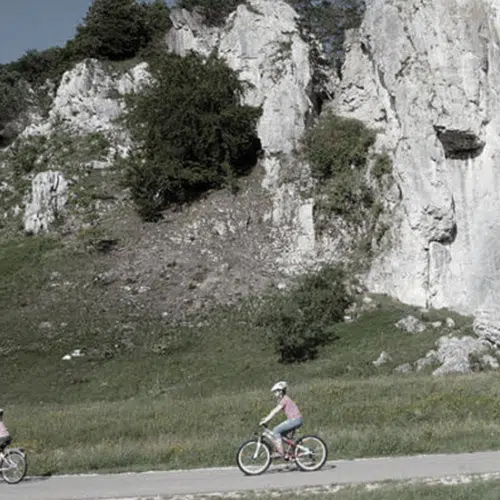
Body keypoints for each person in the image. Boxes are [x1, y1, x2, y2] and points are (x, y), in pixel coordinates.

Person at [259, 381, 302, 459]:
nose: (274, 393)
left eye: (276, 391)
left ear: (281, 391)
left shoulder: (284, 400)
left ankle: (280, 453)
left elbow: (275, 411)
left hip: (294, 420)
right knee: (281, 435)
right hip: (295, 419)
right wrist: (266, 419)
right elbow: (274, 411)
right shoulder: (283, 399)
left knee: (276, 430)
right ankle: (294, 450)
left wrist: (266, 420)